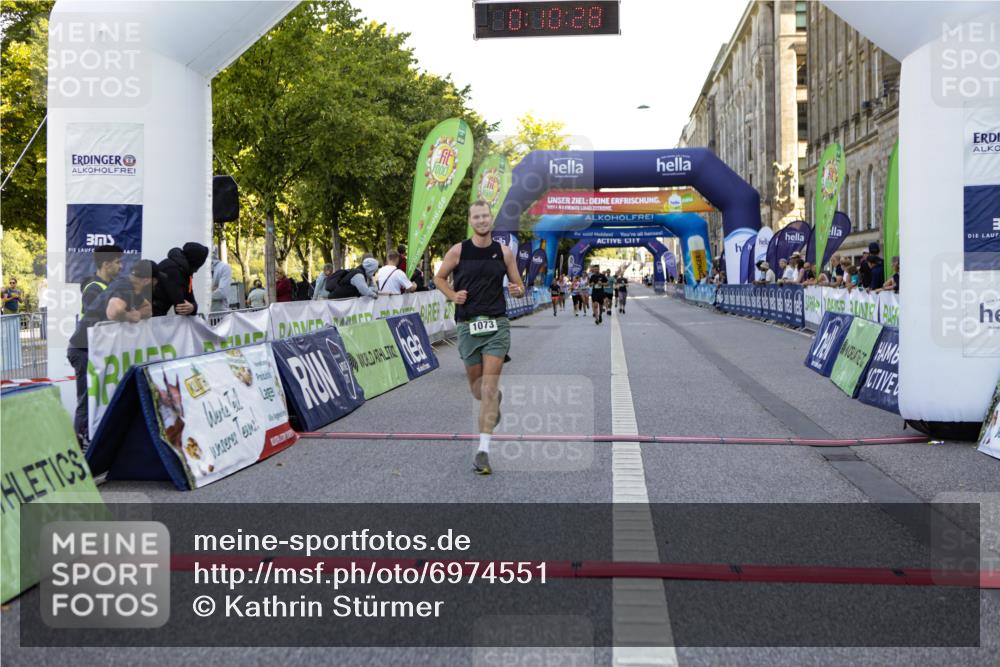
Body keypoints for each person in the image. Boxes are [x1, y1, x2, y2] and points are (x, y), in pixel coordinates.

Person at [434, 200, 525, 476]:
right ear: (470, 220)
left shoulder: (504, 252)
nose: (482, 220)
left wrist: (517, 290)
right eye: (477, 217)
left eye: (486, 216)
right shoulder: (458, 250)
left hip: (497, 325)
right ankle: (493, 400)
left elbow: (519, 285)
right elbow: (439, 278)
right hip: (468, 325)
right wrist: (453, 295)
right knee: (478, 389)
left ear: (491, 219)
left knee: (486, 388)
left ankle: (483, 451)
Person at [67, 259, 159, 446]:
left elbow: (148, 309)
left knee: (100, 395)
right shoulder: (125, 286)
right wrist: (130, 316)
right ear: (149, 280)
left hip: (93, 348)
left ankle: (94, 441)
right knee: (87, 399)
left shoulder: (131, 288)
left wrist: (138, 314)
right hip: (84, 348)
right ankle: (80, 446)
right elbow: (113, 311)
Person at [153, 242, 208, 316]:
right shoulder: (173, 270)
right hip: (148, 318)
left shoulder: (185, 271)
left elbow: (189, 299)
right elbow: (181, 307)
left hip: (155, 317)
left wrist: (193, 307)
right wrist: (192, 307)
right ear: (195, 262)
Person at [80, 244, 123, 314]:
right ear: (106, 264)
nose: (121, 266)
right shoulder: (92, 289)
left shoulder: (115, 285)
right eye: (117, 262)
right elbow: (93, 319)